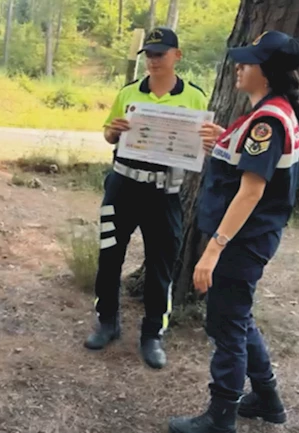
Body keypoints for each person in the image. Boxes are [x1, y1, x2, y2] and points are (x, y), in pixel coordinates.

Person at [168, 30, 299, 433]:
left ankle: (221, 415)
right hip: (250, 238)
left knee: (225, 326)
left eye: (247, 62)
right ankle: (267, 398)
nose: (239, 66)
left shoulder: (268, 120)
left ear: (265, 72)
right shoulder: (270, 111)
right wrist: (222, 143)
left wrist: (213, 250)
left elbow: (251, 191)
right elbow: (246, 165)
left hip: (241, 241)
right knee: (239, 318)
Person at [84, 27, 209, 369]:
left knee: (161, 264)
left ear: (177, 56)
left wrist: (208, 143)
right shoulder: (128, 93)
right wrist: (115, 130)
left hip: (164, 192)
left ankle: (152, 334)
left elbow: (199, 145)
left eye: (161, 54)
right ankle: (107, 322)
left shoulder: (194, 98)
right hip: (122, 187)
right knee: (110, 256)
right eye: (150, 55)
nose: (154, 61)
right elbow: (108, 133)